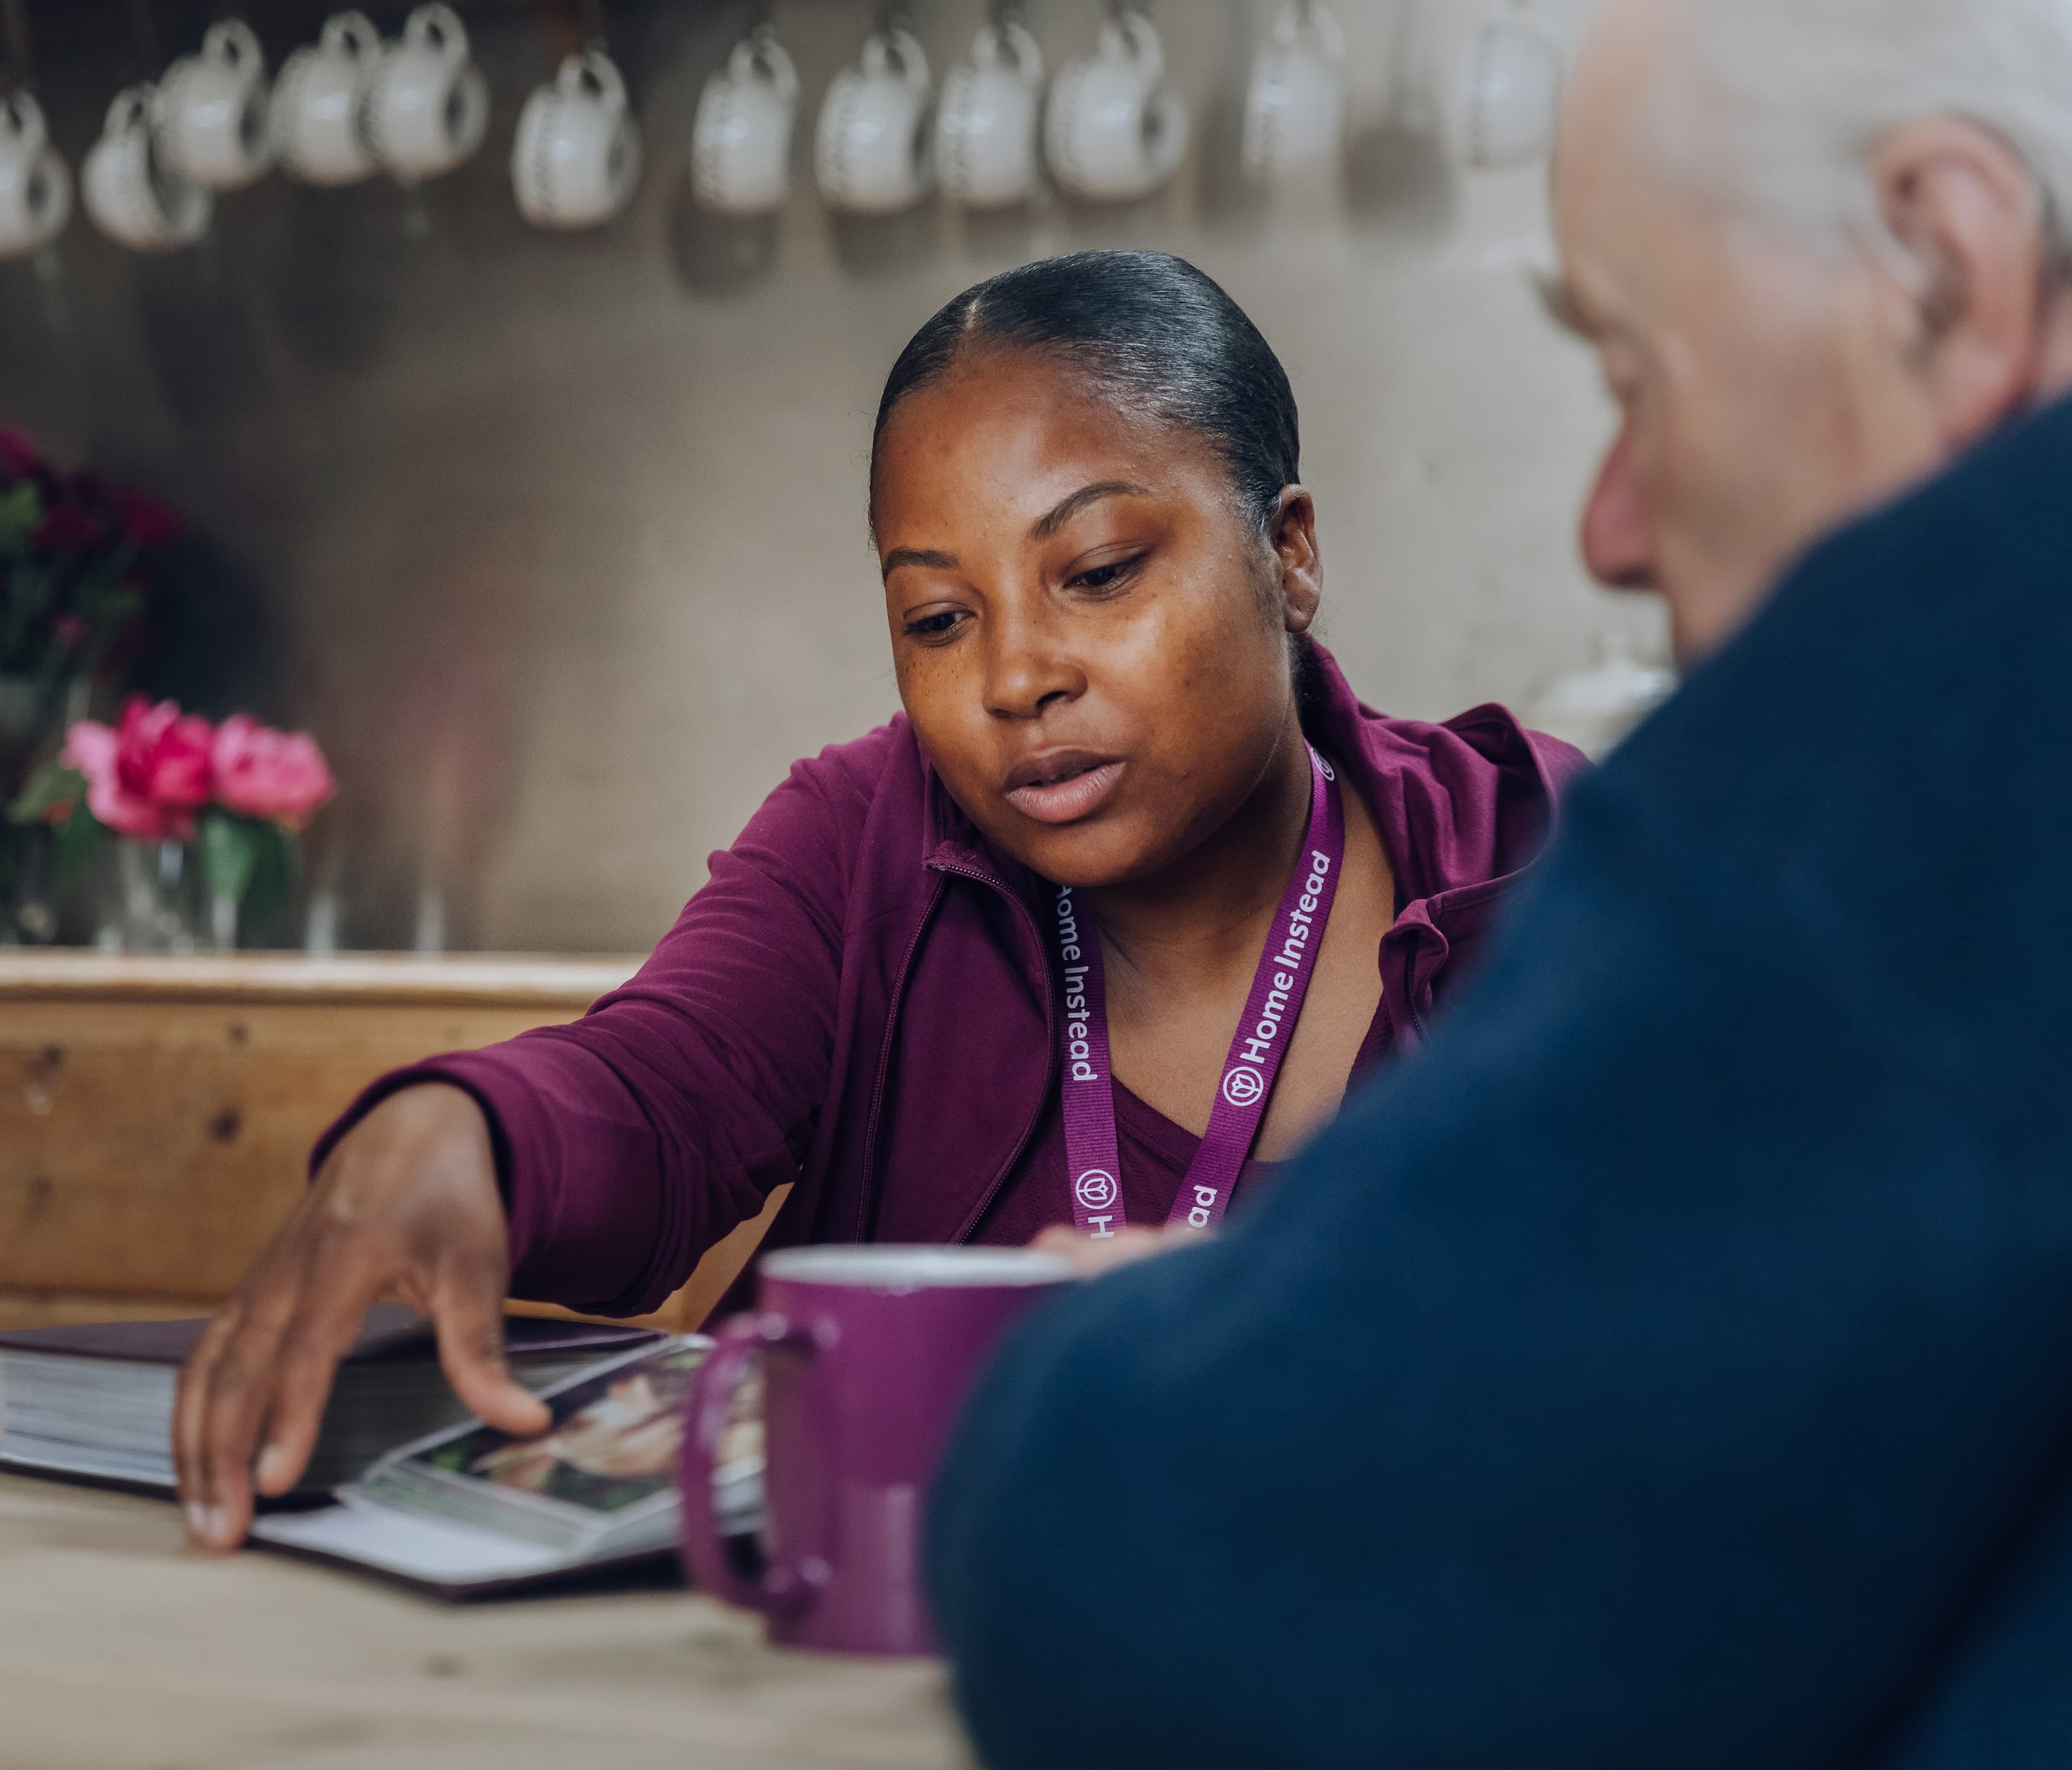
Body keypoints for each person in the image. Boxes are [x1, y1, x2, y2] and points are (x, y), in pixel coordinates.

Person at [923, 2, 2072, 1765]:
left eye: (1635, 375)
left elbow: (1165, 1580)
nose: (1610, 523)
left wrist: (1138, 1351)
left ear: (1949, 265)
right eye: (939, 614)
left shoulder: (1970, 696)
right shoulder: (860, 832)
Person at [172, 251, 1580, 1549]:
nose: (1016, 676)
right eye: (938, 618)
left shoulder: (1549, 862)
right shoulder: (868, 835)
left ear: (1290, 554)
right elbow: (659, 1086)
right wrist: (461, 1126)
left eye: (1095, 573)